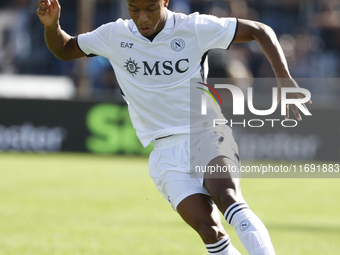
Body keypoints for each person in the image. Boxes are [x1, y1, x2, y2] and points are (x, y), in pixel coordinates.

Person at [37, 0, 311, 254]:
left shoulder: (193, 27)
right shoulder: (113, 35)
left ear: (165, 1)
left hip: (206, 131)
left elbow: (259, 30)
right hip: (165, 150)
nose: (142, 18)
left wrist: (283, 78)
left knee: (228, 198)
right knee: (210, 230)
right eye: (134, 9)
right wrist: (53, 27)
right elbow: (64, 49)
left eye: (150, 8)